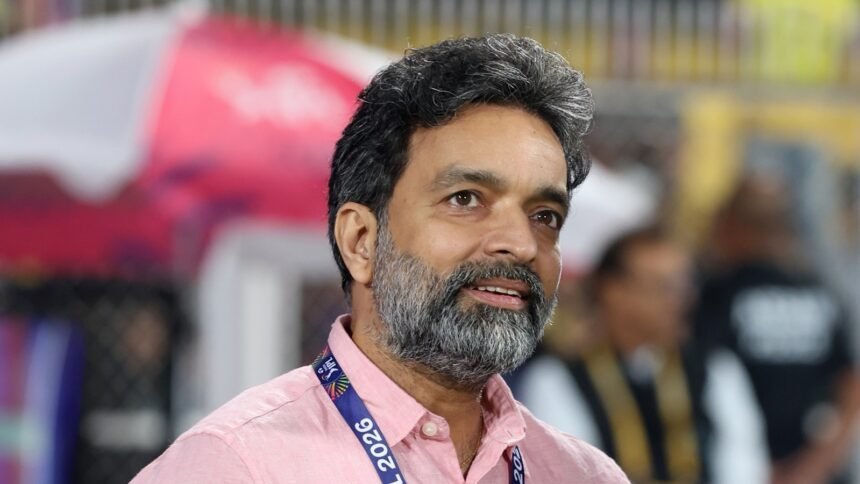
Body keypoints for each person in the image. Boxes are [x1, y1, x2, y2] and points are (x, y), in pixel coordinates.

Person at [131, 34, 628, 483]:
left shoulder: (583, 476)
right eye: (465, 199)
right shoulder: (236, 466)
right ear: (361, 241)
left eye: (545, 216)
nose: (521, 244)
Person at [517, 226, 769, 483]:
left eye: (686, 285)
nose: (682, 300)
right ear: (613, 291)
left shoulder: (715, 369)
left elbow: (743, 464)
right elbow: (568, 472)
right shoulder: (557, 378)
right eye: (664, 286)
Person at [695, 176, 860, 484]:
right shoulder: (820, 291)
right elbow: (851, 387)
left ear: (732, 226)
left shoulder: (718, 293)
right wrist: (814, 468)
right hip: (812, 469)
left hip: (738, 467)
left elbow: (697, 381)